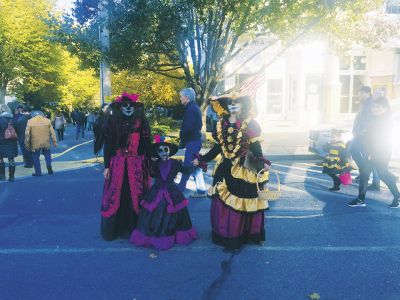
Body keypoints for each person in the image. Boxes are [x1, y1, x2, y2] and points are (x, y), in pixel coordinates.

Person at [195, 93, 271, 250]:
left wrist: (261, 161)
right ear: (226, 106)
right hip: (224, 167)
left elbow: (255, 146)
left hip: (243, 168)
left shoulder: (250, 124)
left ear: (243, 106)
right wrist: (203, 159)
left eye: (236, 103)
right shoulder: (221, 123)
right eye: (230, 104)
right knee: (224, 201)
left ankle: (247, 233)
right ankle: (227, 233)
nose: (233, 106)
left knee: (245, 199)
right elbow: (218, 147)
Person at [130, 136, 197, 250]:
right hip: (157, 191)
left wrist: (194, 164)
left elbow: (186, 170)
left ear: (169, 151)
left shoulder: (175, 163)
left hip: (172, 192)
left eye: (166, 149)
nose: (164, 152)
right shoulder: (155, 164)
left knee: (176, 213)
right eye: (160, 150)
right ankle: (154, 234)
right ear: (157, 153)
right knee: (155, 211)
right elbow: (152, 174)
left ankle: (174, 233)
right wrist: (151, 163)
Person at [101, 93, 152, 241]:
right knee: (117, 194)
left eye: (131, 106)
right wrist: (106, 166)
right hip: (117, 165)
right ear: (120, 107)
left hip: (135, 165)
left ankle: (134, 228)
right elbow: (108, 144)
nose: (128, 108)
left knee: (135, 194)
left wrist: (150, 158)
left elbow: (145, 142)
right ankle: (116, 229)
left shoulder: (141, 122)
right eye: (125, 106)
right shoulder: (112, 122)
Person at [347, 96, 400, 208]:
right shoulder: (374, 118)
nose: (375, 108)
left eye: (378, 107)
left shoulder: (385, 121)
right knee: (364, 174)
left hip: (379, 153)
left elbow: (381, 139)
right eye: (374, 106)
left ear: (385, 108)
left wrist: (372, 153)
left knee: (383, 175)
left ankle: (398, 197)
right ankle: (360, 199)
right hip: (370, 153)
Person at [177, 88, 206, 197]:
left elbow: (187, 127)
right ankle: (201, 190)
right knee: (195, 164)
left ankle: (179, 191)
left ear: (187, 97)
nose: (180, 98)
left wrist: (182, 140)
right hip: (195, 140)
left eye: (181, 96)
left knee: (187, 165)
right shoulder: (193, 107)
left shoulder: (191, 108)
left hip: (192, 141)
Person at [25, 110, 58, 176]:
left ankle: (38, 172)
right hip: (46, 142)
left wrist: (27, 144)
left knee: (35, 157)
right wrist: (54, 142)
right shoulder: (47, 121)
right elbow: (52, 133)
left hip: (35, 143)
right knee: (47, 154)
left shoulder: (30, 121)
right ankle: (49, 166)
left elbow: (27, 134)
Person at [0, 104, 18, 182]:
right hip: (12, 143)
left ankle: (2, 176)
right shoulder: (13, 119)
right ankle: (11, 177)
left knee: (0, 160)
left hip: (1, 142)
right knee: (11, 160)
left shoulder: (0, 119)